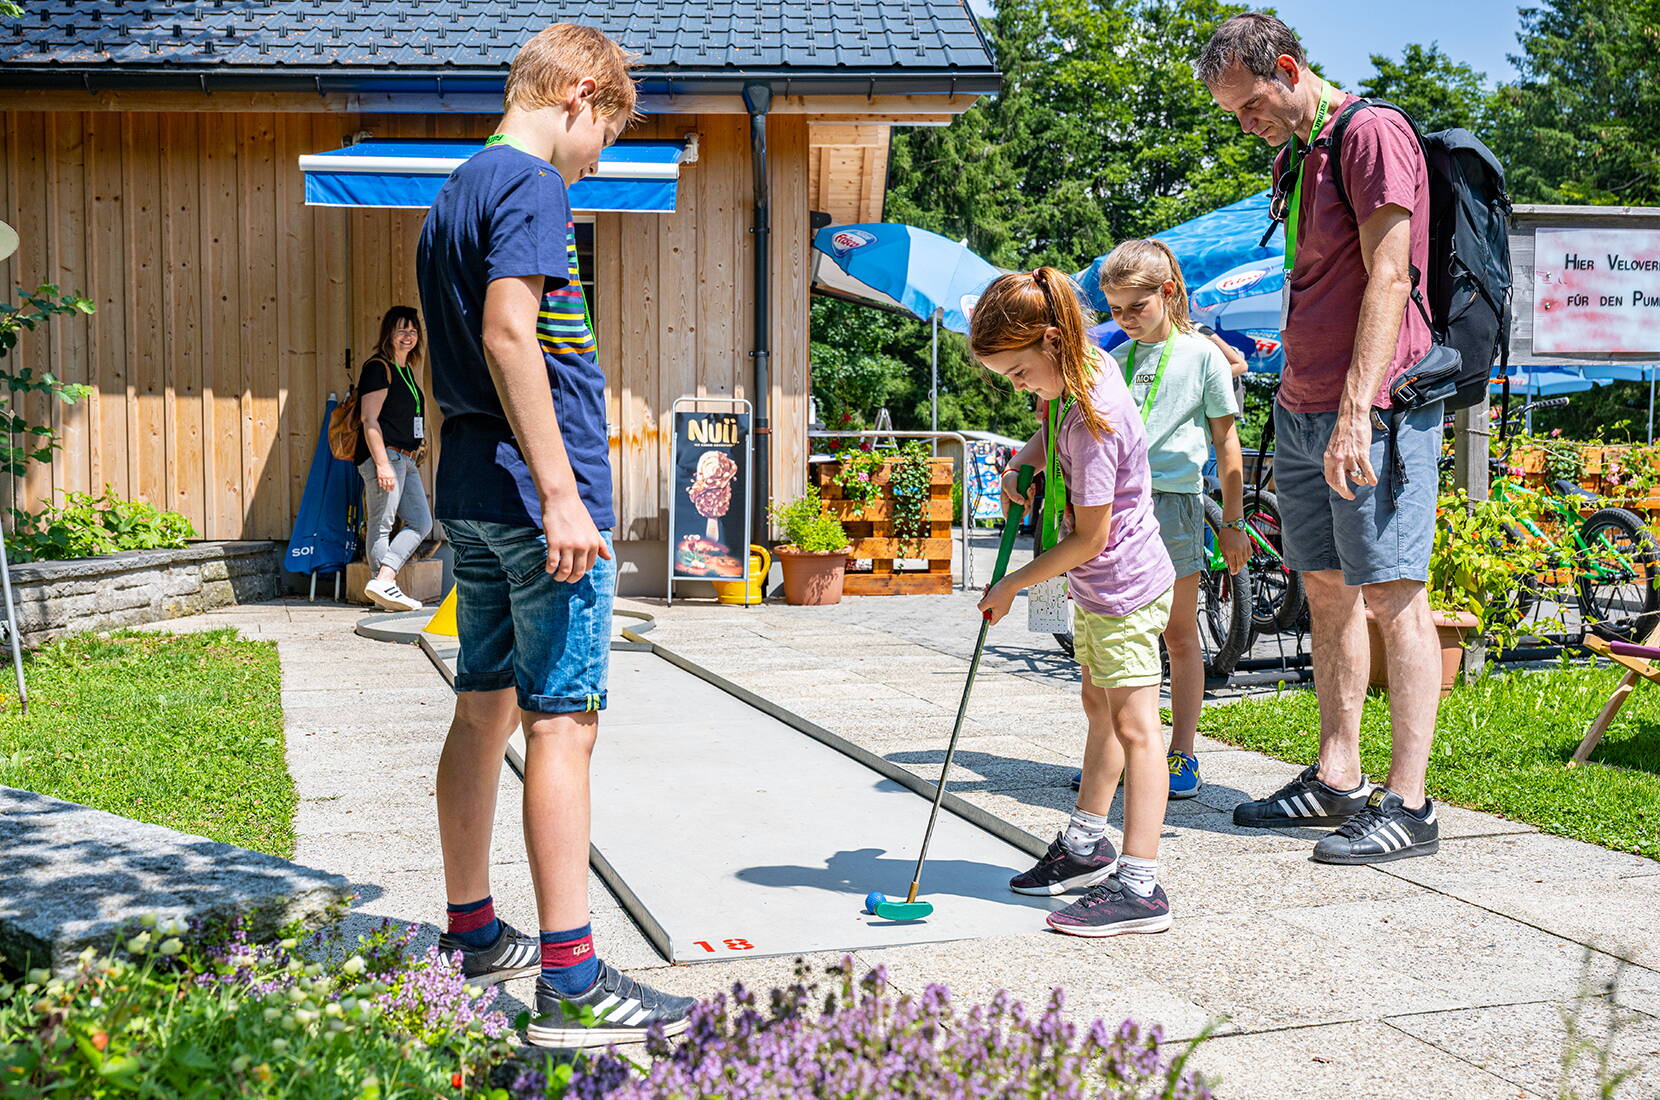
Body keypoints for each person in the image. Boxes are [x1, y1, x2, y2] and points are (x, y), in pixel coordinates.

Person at [415, 23, 695, 1046]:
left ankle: (471, 932)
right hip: (539, 504)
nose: (599, 157)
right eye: (607, 135)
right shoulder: (532, 186)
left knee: (482, 707)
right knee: (562, 724)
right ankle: (573, 980)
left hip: (472, 494)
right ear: (579, 93)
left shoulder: (454, 191)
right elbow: (505, 332)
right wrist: (562, 491)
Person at [1198, 12, 1444, 863]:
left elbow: (1390, 273)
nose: (1245, 122)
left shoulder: (1371, 134)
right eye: (1232, 113)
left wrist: (1354, 410)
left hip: (1372, 410)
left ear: (1290, 67)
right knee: (1329, 591)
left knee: (1395, 595)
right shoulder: (1298, 156)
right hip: (1303, 406)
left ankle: (1409, 804)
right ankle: (1336, 778)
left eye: (1250, 104)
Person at [973, 268, 1177, 937]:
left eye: (1019, 373)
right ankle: (1088, 844)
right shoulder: (1085, 368)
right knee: (1100, 706)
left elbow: (1090, 538)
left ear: (1053, 341)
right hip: (1099, 587)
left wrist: (1011, 585)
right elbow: (1050, 426)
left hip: (1120, 585)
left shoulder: (1095, 423)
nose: (1020, 387)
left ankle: (1141, 886)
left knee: (1138, 728)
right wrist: (1021, 463)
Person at [1098, 240, 1249, 800]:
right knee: (1115, 632)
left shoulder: (1202, 355)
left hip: (1173, 505)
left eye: (1135, 307)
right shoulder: (1116, 358)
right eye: (1115, 309)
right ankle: (1115, 752)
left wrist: (1231, 522)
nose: (1125, 319)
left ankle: (1182, 753)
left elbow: (1227, 445)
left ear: (1168, 293)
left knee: (1178, 634)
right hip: (1116, 505)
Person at [356, 306, 435, 612]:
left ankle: (383, 581)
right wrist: (381, 463)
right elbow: (369, 419)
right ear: (388, 333)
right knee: (382, 524)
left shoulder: (406, 370)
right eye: (401, 330)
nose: (408, 336)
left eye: (413, 331)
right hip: (386, 455)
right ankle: (384, 587)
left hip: (406, 457)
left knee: (421, 522)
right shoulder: (378, 367)